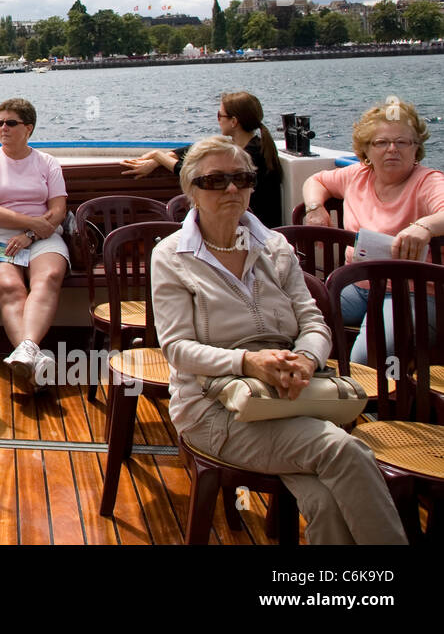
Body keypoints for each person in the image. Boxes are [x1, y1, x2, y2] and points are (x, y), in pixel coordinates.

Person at [152, 136, 407, 544]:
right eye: (215, 180)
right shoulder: (171, 256)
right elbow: (178, 349)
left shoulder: (275, 247)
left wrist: (306, 358)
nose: (232, 188)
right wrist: (247, 363)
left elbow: (313, 322)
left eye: (242, 178)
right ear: (191, 190)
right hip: (215, 407)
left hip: (292, 392)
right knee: (343, 451)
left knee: (325, 499)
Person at [300, 98, 443, 364]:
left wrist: (425, 226)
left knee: (368, 356)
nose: (392, 150)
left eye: (402, 142)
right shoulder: (357, 176)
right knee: (294, 319)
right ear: (366, 149)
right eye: (381, 143)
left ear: (416, 149)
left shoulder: (428, 182)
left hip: (411, 293)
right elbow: (316, 180)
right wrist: (314, 207)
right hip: (356, 286)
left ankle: (372, 402)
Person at [0, 98, 69, 387]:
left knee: (48, 277)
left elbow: (58, 209)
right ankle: (34, 360)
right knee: (11, 287)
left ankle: (26, 354)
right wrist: (28, 222)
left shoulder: (47, 163)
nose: (3, 128)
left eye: (10, 123)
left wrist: (31, 234)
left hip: (41, 236)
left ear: (28, 128)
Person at [122, 91, 283, 227]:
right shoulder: (252, 146)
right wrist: (162, 158)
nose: (218, 119)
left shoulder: (247, 156)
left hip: (251, 228)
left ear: (234, 122)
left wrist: (158, 156)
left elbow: (190, 174)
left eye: (220, 115)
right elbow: (193, 149)